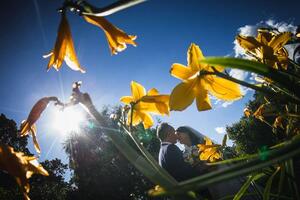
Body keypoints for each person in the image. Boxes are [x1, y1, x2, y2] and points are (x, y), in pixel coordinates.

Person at [176, 126, 259, 200]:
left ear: (187, 133)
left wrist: (210, 163)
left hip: (220, 171)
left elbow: (217, 154)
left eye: (179, 134)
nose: (177, 137)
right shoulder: (184, 154)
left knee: (236, 191)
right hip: (209, 179)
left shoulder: (203, 143)